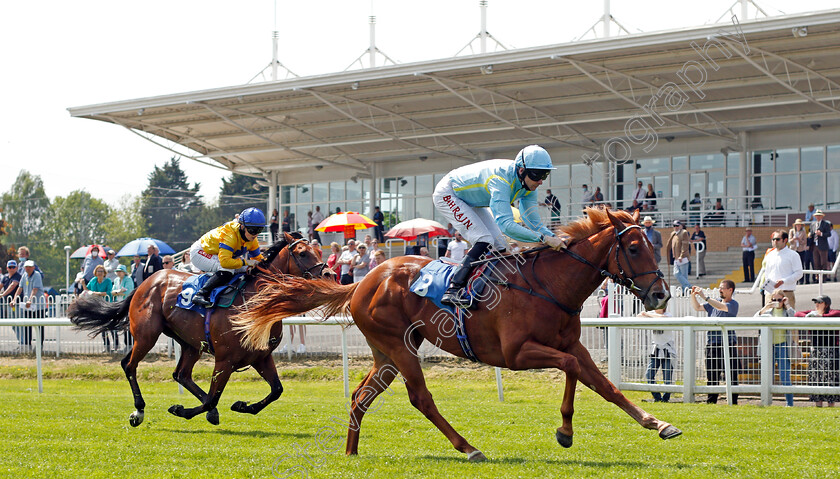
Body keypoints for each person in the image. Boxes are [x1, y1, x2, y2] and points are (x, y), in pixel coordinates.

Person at [432, 145, 566, 307]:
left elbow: (534, 222)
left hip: (471, 200)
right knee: (484, 239)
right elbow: (507, 226)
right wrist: (544, 239)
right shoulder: (500, 181)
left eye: (545, 174)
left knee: (500, 244)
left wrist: (552, 237)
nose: (541, 180)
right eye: (537, 174)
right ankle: (453, 289)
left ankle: (492, 285)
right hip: (448, 193)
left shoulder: (529, 184)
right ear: (521, 170)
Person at [189, 207, 267, 307]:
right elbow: (225, 262)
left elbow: (257, 260)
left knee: (248, 268)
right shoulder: (230, 235)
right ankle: (200, 294)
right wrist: (246, 262)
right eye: (253, 230)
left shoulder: (253, 239)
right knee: (227, 269)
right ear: (242, 227)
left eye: (259, 230)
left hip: (218, 254)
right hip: (200, 252)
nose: (255, 234)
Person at [690, 280, 740, 405]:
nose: (720, 290)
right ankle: (711, 402)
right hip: (712, 344)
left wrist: (704, 296)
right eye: (719, 287)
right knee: (712, 375)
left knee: (731, 375)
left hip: (727, 344)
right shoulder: (713, 303)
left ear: (730, 290)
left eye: (722, 288)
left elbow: (721, 307)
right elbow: (697, 307)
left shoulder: (733, 304)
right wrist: (693, 296)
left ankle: (733, 402)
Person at [795, 295, 840, 407]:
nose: (817, 305)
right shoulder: (812, 313)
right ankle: (818, 404)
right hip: (816, 350)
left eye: (819, 303)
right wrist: (813, 315)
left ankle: (831, 404)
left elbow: (835, 314)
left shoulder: (833, 312)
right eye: (816, 303)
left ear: (826, 304)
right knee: (815, 376)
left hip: (831, 350)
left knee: (830, 376)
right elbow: (797, 314)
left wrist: (820, 316)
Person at [754, 289, 796, 407]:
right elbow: (754, 318)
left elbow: (794, 317)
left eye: (779, 300)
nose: (777, 302)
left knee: (784, 375)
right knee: (767, 375)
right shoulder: (768, 312)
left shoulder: (786, 312)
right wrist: (766, 307)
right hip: (768, 346)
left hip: (782, 345)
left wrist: (787, 304)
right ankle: (766, 401)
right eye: (774, 300)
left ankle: (790, 403)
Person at [638, 307, 675, 402]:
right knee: (649, 375)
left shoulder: (668, 315)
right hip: (656, 349)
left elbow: (663, 318)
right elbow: (638, 317)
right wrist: (647, 315)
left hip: (667, 349)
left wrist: (647, 315)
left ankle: (666, 399)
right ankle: (657, 398)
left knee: (667, 377)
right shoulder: (651, 313)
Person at [761, 230, 803, 307]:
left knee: (788, 317)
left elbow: (799, 273)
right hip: (771, 294)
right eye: (773, 239)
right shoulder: (769, 255)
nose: (775, 241)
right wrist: (766, 292)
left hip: (786, 292)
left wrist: (783, 281)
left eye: (777, 239)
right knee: (769, 317)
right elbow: (767, 274)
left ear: (785, 240)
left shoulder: (793, 255)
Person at [12, 261, 47, 352]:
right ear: (24, 268)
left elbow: (35, 289)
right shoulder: (24, 275)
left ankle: (39, 346)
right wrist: (14, 299)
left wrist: (30, 300)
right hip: (28, 306)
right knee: (27, 326)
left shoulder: (37, 275)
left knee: (39, 326)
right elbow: (20, 288)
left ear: (33, 267)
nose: (28, 268)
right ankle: (28, 346)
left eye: (30, 267)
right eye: (26, 267)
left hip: (38, 305)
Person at [111, 264, 135, 351]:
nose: (118, 273)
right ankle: (126, 345)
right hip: (119, 303)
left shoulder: (128, 279)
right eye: (117, 271)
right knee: (122, 325)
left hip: (127, 304)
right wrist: (119, 292)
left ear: (124, 272)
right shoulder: (116, 280)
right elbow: (112, 291)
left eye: (120, 271)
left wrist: (117, 292)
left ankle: (130, 345)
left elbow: (127, 291)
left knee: (128, 324)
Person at [665, 220, 691, 290]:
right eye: (674, 226)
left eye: (677, 226)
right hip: (676, 258)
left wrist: (681, 256)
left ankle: (685, 289)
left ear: (680, 226)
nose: (675, 227)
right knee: (676, 273)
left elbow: (685, 245)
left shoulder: (684, 232)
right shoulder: (673, 233)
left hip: (683, 258)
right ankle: (687, 286)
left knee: (683, 275)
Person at [810, 210, 833, 282]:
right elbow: (811, 233)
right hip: (815, 245)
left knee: (823, 262)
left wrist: (821, 234)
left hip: (823, 246)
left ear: (822, 216)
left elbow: (829, 234)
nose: (818, 217)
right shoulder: (813, 224)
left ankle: (824, 278)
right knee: (816, 262)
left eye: (819, 215)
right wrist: (810, 235)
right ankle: (817, 278)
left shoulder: (826, 224)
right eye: (816, 215)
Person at [790, 219, 809, 285]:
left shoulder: (803, 232)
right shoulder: (792, 231)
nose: (798, 226)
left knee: (801, 265)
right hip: (793, 250)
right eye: (797, 225)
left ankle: (801, 280)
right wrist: (794, 239)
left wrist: (799, 240)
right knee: (793, 266)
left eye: (799, 225)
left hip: (801, 250)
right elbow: (789, 241)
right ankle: (794, 280)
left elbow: (805, 241)